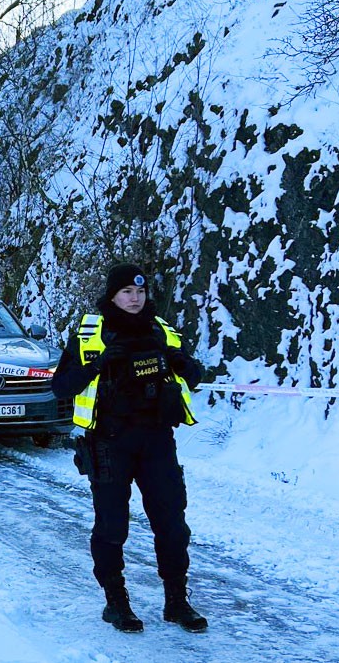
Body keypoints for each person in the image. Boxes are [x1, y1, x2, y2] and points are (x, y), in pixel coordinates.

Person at [52, 263, 208, 634]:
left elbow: (195, 377)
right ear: (112, 296)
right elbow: (62, 386)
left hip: (156, 440)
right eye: (126, 292)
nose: (135, 299)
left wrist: (184, 364)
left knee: (172, 524)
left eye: (140, 292)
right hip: (109, 442)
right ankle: (116, 602)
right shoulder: (91, 334)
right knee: (112, 526)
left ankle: (176, 601)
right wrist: (99, 364)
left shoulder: (161, 331)